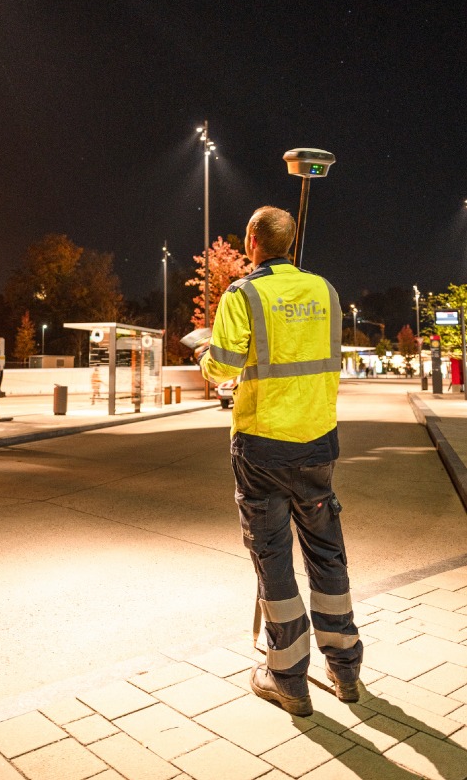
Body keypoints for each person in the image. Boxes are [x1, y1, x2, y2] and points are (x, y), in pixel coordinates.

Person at [199, 205, 362, 717]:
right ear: (290, 244)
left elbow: (222, 368)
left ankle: (288, 677)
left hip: (263, 446)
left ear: (252, 241)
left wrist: (204, 355)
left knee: (273, 558)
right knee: (327, 554)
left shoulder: (243, 294)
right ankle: (345, 669)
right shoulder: (326, 291)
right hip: (317, 441)